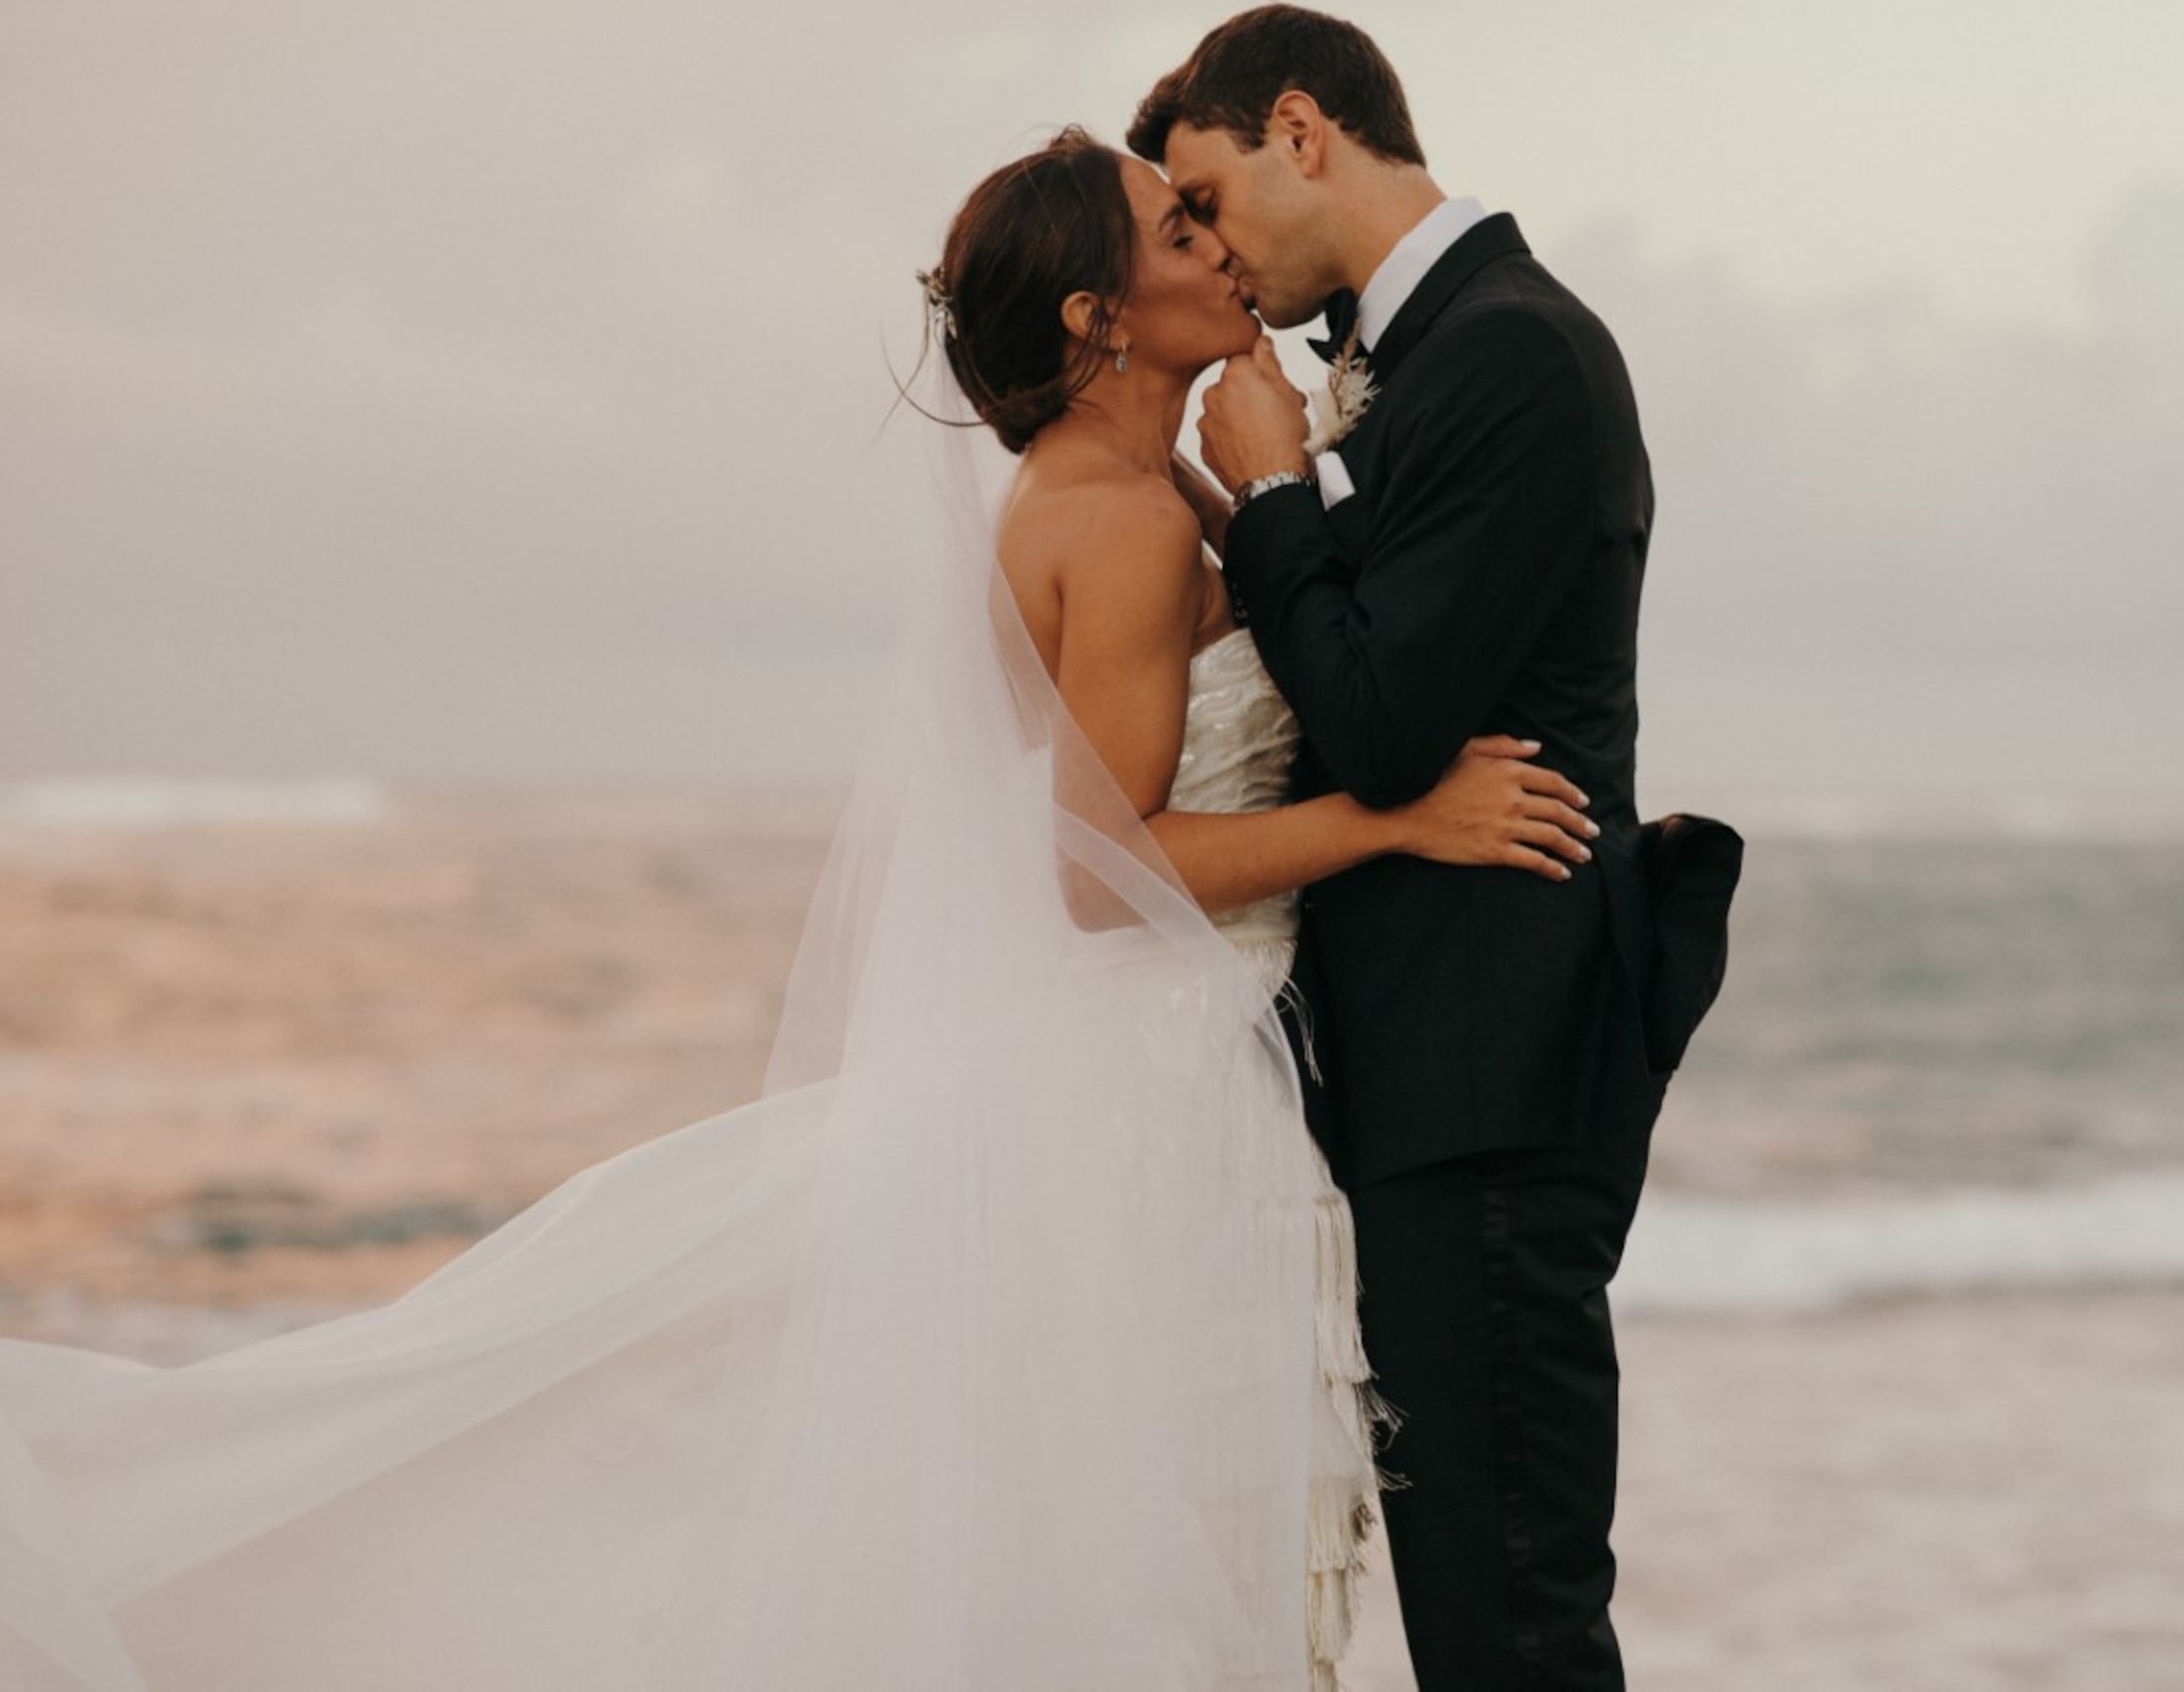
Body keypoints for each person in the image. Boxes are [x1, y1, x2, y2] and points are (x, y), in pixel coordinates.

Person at [0, 124, 1608, 1689]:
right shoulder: (1111, 517)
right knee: (1158, 1553)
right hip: (1154, 1096)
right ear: (1096, 316)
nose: (1218, 245)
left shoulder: (1140, 480)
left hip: (1175, 1063)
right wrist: (1395, 814)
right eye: (1176, 229)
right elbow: (1102, 868)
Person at [1130, 8, 1744, 1688]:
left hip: (1493, 1073)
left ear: (1304, 131)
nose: (1217, 251)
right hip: (1424, 1078)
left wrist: (1269, 496)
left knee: (1514, 1629)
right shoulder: (1426, 355)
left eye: (1211, 193)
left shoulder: (1516, 352)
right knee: (1481, 1618)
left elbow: (1391, 723)